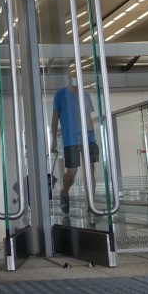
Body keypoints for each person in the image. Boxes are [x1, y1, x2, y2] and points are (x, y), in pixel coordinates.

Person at [50, 63, 98, 215]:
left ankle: (91, 203)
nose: (76, 77)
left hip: (88, 137)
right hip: (71, 138)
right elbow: (55, 118)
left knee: (90, 170)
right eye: (74, 74)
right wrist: (53, 139)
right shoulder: (60, 95)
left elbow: (89, 117)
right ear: (69, 77)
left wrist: (94, 137)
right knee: (72, 172)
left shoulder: (85, 96)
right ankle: (65, 192)